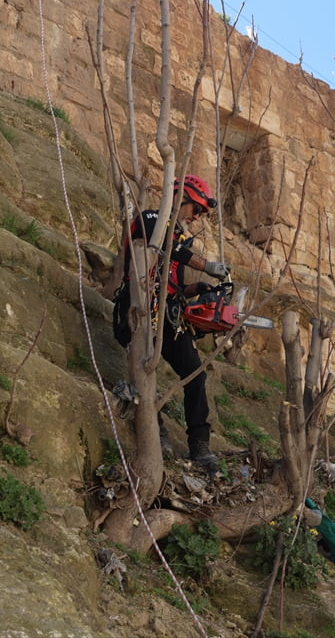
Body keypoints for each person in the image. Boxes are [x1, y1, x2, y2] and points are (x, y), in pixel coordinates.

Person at [106, 175, 230, 470]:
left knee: (195, 375)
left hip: (167, 315)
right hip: (138, 309)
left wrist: (197, 290)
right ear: (180, 197)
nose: (196, 216)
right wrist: (206, 266)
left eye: (200, 212)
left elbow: (172, 285)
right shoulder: (152, 218)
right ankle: (155, 429)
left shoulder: (180, 237)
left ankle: (199, 445)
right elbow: (163, 248)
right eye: (196, 209)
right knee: (145, 371)